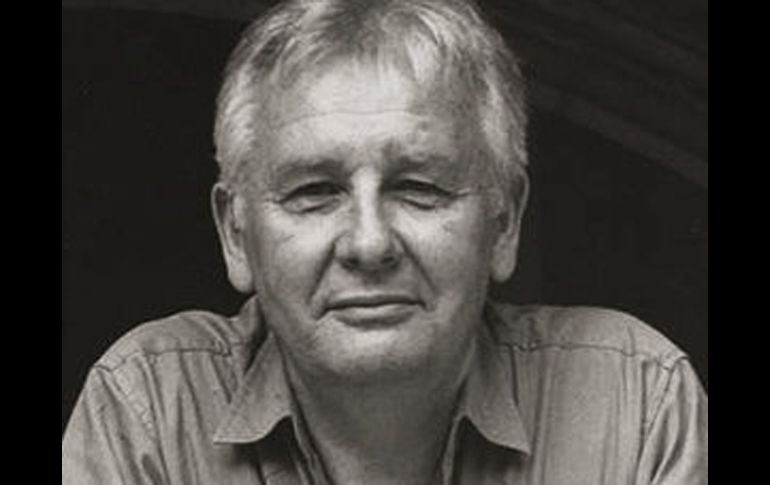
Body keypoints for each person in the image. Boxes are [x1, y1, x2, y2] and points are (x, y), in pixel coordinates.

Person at [62, 0, 708, 483]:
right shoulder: (151, 407)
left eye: (418, 187)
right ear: (236, 233)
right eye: (314, 191)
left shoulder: (632, 399)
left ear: (505, 220)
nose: (368, 244)